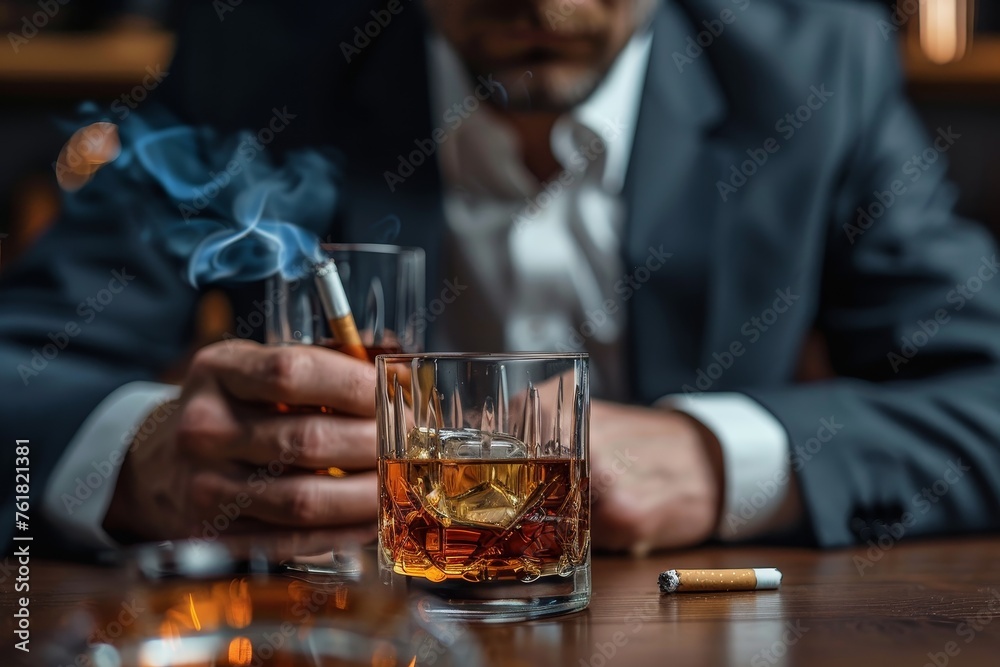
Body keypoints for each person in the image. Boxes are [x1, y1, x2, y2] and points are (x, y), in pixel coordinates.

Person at [2, 0, 999, 556]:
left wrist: (714, 456)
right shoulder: (258, 55)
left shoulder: (817, 65)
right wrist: (144, 457)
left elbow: (985, 394)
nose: (544, 4)